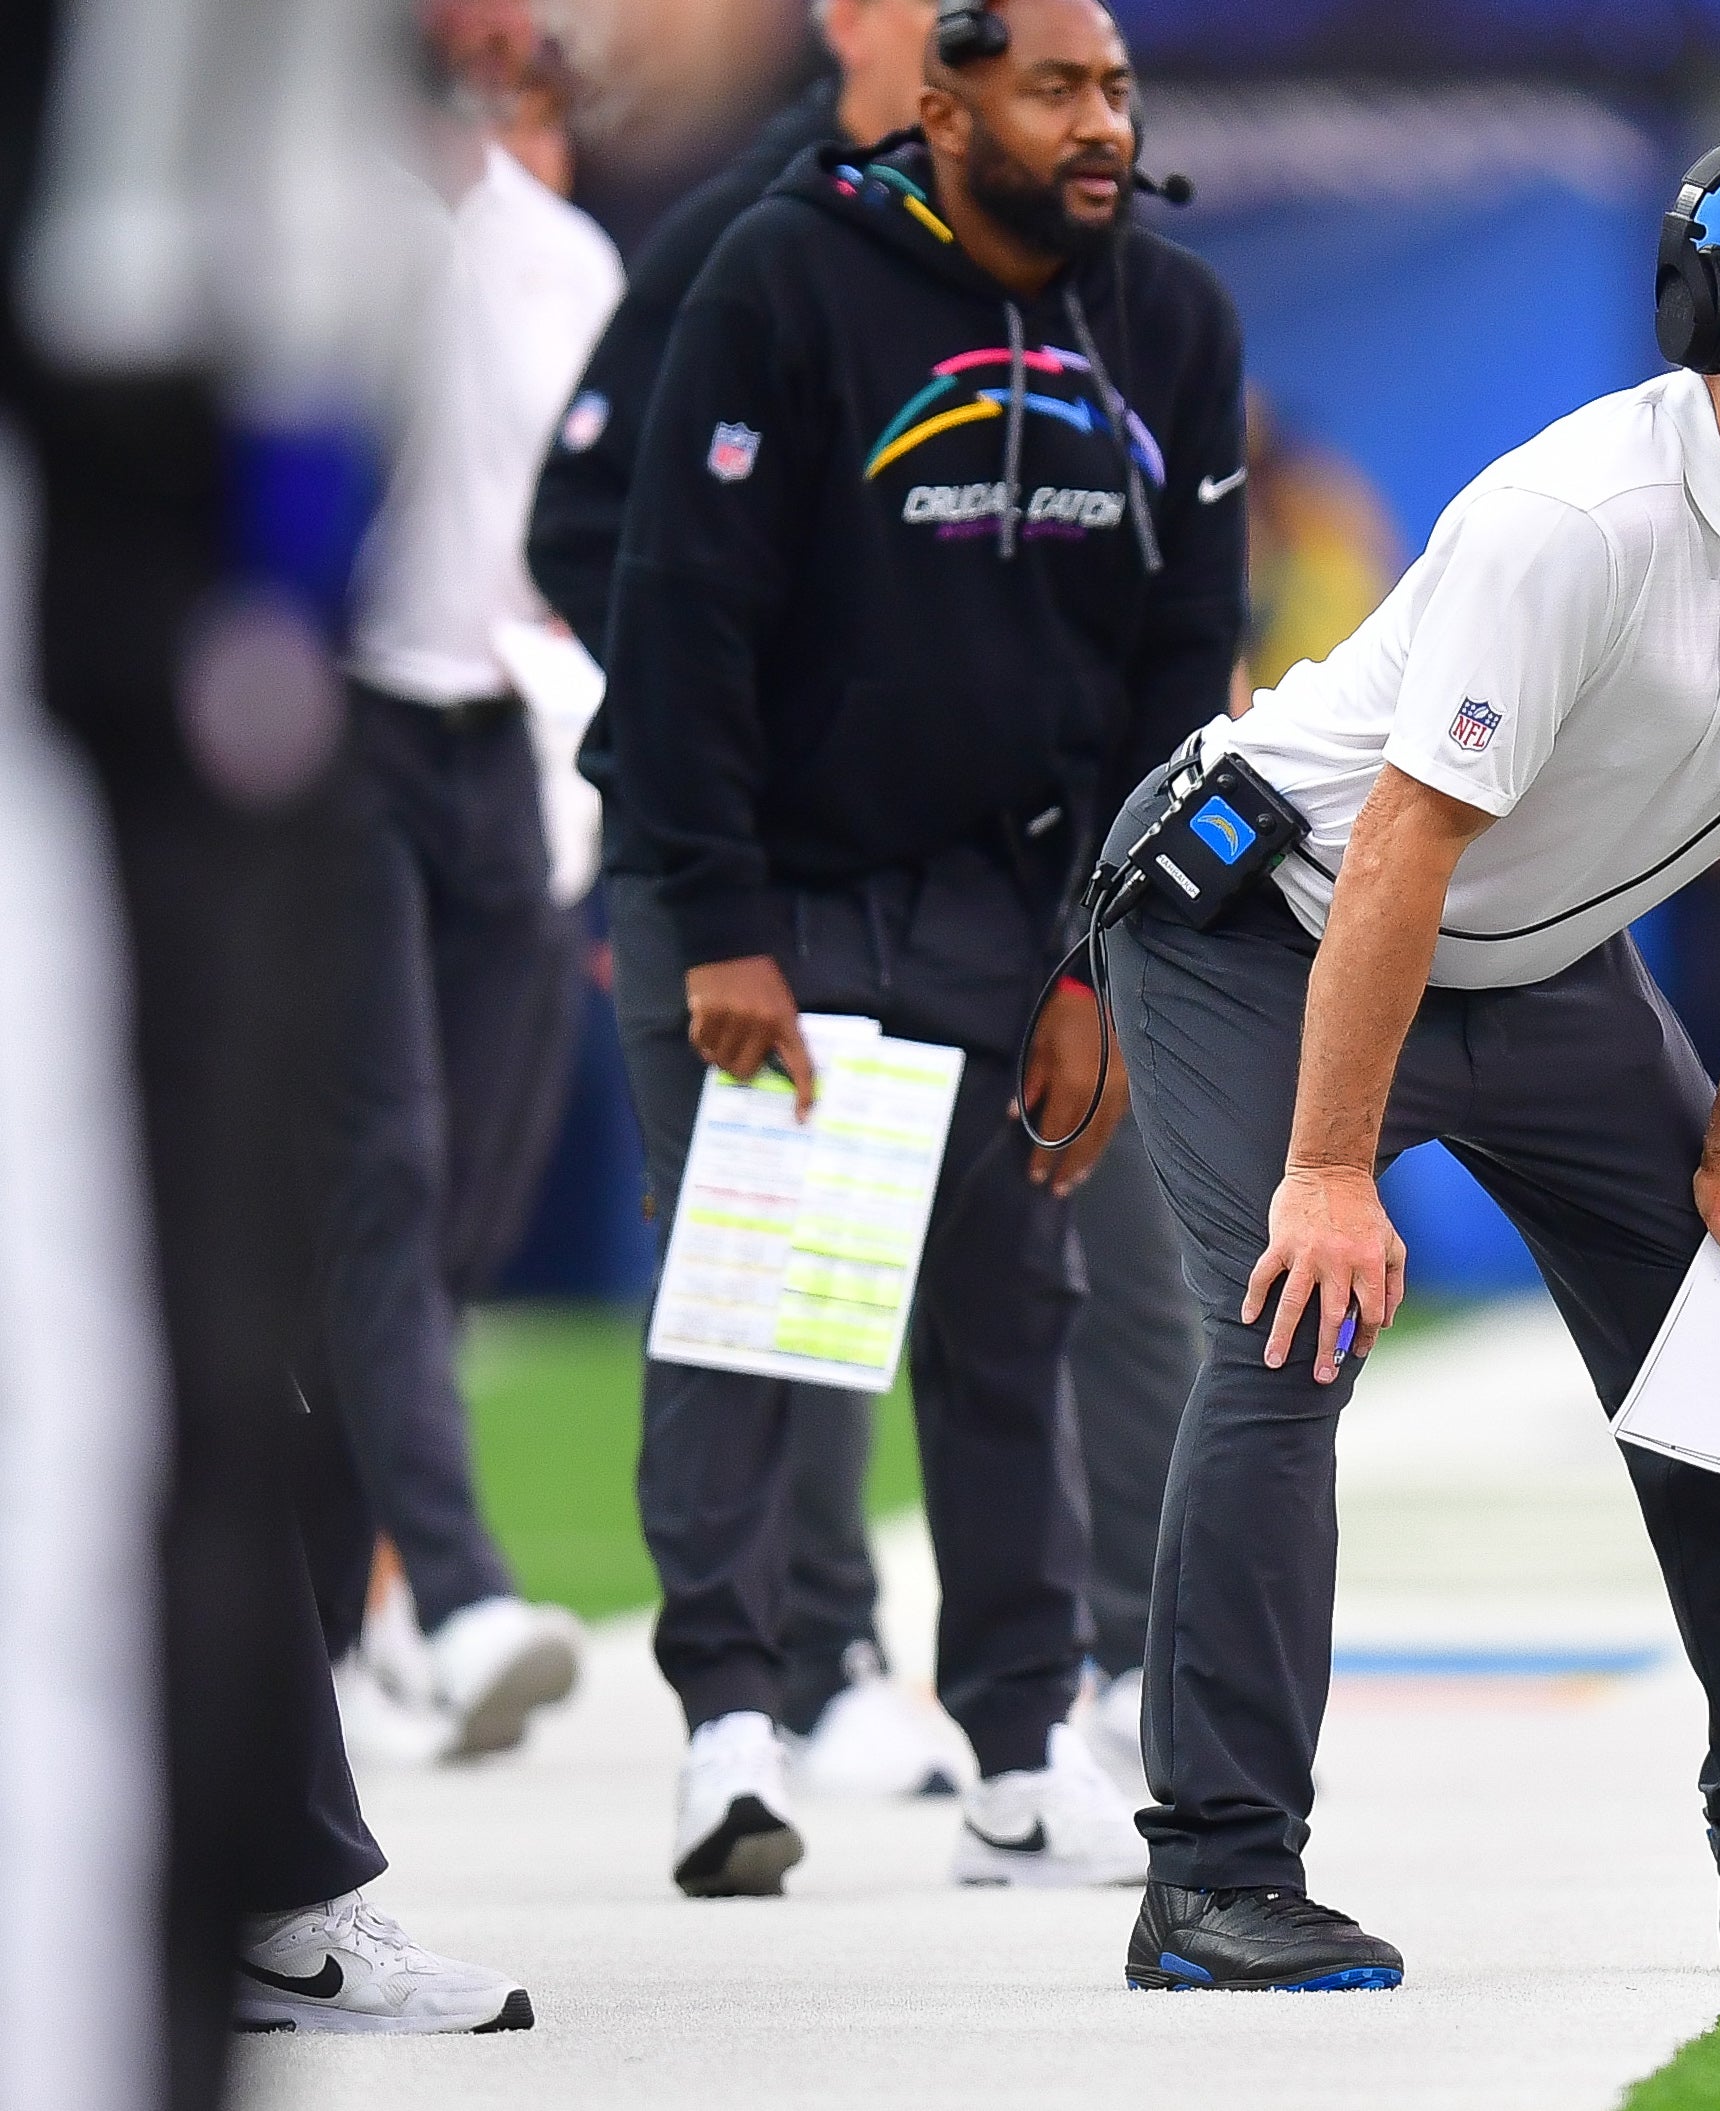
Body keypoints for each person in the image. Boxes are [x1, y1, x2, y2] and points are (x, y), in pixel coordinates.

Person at [1099, 134, 1720, 1991]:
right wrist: (1334, 1169)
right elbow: (1397, 851)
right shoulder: (1577, 515)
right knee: (1293, 1323)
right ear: (1709, 306)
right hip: (1271, 922)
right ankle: (1212, 1877)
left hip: (1531, 957)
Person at [599, 0, 1244, 1897]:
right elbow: (679, 618)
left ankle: (1027, 1756)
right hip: (764, 890)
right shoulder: (783, 274)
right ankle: (731, 1735)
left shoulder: (1175, 322)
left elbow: (1173, 677)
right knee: (755, 1313)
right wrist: (721, 926)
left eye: (1117, 88)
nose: (1099, 121)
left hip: (1007, 894)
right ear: (944, 103)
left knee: (1008, 1318)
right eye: (1056, 88)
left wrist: (1098, 967)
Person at [3, 0, 533, 2077]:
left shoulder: (429, 219)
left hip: (273, 702)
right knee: (140, 1372)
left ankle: (264, 1880)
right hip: (139, 658)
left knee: (266, 1338)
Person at [528, 0, 973, 1801]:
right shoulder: (747, 224)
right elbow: (580, 512)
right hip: (745, 841)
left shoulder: (1044, 253)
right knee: (769, 1234)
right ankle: (798, 1658)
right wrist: (727, 707)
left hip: (947, 846)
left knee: (923, 1261)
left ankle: (961, 1666)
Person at [297, 0, 624, 1763]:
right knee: (384, 1163)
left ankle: (337, 1635)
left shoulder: (563, 255)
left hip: (501, 740)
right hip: (337, 729)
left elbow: (587, 540)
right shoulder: (328, 196)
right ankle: (460, 1581)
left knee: (458, 1212)